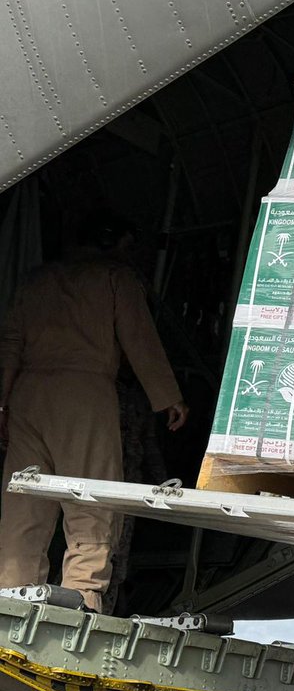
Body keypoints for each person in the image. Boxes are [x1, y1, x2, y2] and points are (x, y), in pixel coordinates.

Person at [0, 212, 187, 612]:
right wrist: (167, 396)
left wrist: (2, 403)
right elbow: (139, 337)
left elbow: (10, 343)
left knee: (24, 501)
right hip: (83, 393)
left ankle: (11, 594)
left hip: (28, 395)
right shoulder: (115, 277)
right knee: (91, 496)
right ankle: (83, 596)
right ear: (112, 242)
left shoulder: (36, 281)